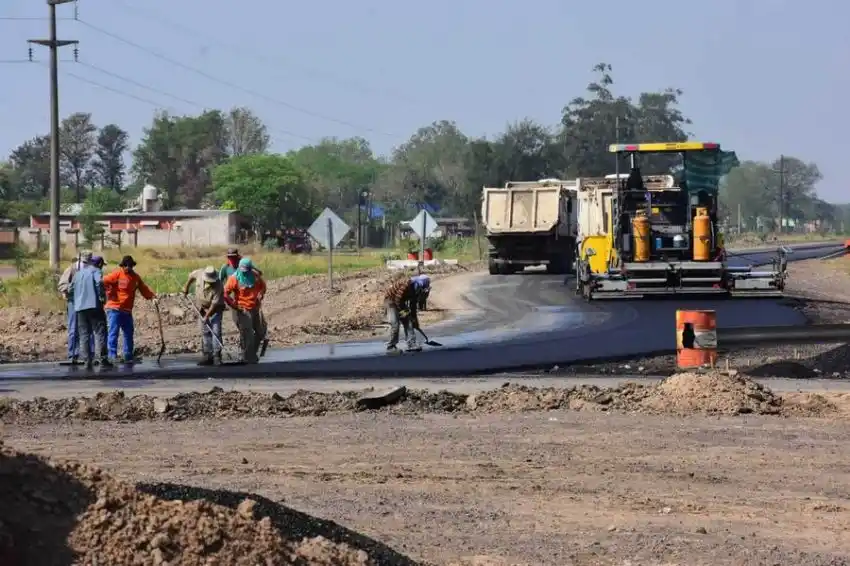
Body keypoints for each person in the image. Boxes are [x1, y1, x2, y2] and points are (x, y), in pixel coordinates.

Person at [102, 255, 157, 364]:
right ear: (122, 265)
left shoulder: (135, 277)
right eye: (126, 265)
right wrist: (109, 291)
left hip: (126, 310)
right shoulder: (117, 274)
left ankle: (128, 355)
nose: (128, 267)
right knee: (114, 332)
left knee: (128, 332)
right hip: (114, 309)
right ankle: (112, 355)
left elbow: (144, 289)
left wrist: (152, 297)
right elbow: (103, 281)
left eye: (130, 266)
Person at [70, 253, 111, 370]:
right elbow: (99, 283)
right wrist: (102, 297)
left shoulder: (78, 274)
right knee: (100, 332)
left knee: (84, 335)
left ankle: (87, 361)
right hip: (94, 306)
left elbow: (70, 289)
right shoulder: (96, 271)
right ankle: (102, 359)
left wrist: (75, 300)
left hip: (80, 308)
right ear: (99, 264)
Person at [223, 257, 267, 364]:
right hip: (243, 310)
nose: (244, 273)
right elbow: (225, 293)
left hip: (255, 308)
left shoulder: (256, 277)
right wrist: (233, 305)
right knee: (248, 335)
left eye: (246, 270)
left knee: (261, 333)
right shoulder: (234, 279)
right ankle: (248, 357)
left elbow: (263, 287)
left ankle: (251, 353)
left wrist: (261, 294)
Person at [219, 247, 264, 350]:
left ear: (237, 256)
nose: (232, 259)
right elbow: (220, 284)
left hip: (250, 300)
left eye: (234, 257)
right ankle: (245, 349)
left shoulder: (245, 265)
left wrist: (250, 267)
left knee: (253, 329)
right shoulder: (225, 268)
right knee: (242, 326)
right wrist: (225, 300)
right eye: (230, 257)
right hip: (234, 299)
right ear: (227, 257)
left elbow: (259, 276)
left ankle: (248, 350)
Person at [183, 265, 225, 366]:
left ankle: (216, 356)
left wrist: (207, 316)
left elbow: (214, 304)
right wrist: (186, 287)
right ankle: (207, 356)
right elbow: (191, 277)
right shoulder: (199, 274)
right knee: (205, 331)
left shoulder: (218, 285)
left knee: (216, 332)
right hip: (201, 308)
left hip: (215, 310)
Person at [58, 250, 91, 363]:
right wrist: (73, 288)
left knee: (88, 329)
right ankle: (73, 355)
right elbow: (62, 285)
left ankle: (89, 355)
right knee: (74, 329)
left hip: (88, 303)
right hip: (74, 303)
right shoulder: (71, 269)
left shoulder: (91, 270)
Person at [384, 274, 431, 353]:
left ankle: (411, 344)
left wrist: (415, 320)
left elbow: (413, 306)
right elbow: (397, 299)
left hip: (400, 302)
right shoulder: (406, 283)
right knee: (395, 324)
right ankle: (391, 346)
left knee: (408, 322)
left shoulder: (417, 289)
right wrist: (402, 311)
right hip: (390, 301)